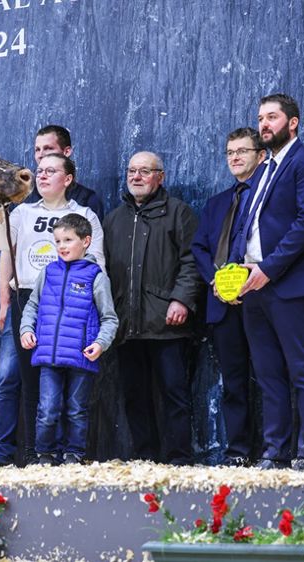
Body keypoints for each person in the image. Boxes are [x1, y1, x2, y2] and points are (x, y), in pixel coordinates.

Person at [0, 125, 101, 468]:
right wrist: (5, 300)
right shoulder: (21, 213)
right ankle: (7, 453)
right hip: (25, 299)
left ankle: (61, 452)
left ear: (68, 177)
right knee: (15, 376)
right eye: (39, 170)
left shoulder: (85, 214)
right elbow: (7, 253)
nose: (41, 175)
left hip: (69, 302)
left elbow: (98, 265)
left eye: (51, 170)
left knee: (62, 380)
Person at [233, 93, 304, 470]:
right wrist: (237, 269)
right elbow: (248, 225)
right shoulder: (262, 168)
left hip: (287, 283)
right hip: (253, 283)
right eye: (260, 118)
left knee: (302, 369)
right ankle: (275, 451)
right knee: (268, 373)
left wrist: (269, 269)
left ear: (293, 123)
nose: (264, 124)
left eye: (272, 117)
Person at [103, 151, 202, 465]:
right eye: (132, 170)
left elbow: (192, 262)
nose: (136, 176)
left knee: (174, 394)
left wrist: (182, 299)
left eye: (144, 171)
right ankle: (145, 458)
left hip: (167, 323)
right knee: (134, 396)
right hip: (125, 324)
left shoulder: (179, 213)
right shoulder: (114, 219)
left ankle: (179, 460)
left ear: (161, 176)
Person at [191, 128, 266, 466]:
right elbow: (199, 248)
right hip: (223, 305)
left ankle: (277, 450)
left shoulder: (270, 197)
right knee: (233, 382)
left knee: (272, 377)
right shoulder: (217, 202)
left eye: (243, 151)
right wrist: (216, 283)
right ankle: (238, 451)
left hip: (263, 299)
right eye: (230, 152)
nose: (235, 157)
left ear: (261, 155)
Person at [19, 214, 119, 465]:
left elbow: (110, 318)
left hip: (80, 356)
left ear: (86, 241)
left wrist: (100, 343)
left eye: (68, 240)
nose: (61, 246)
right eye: (57, 241)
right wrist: (26, 330)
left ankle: (74, 454)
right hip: (49, 356)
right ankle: (45, 454)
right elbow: (32, 305)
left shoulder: (96, 277)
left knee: (76, 410)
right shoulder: (48, 272)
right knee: (47, 410)